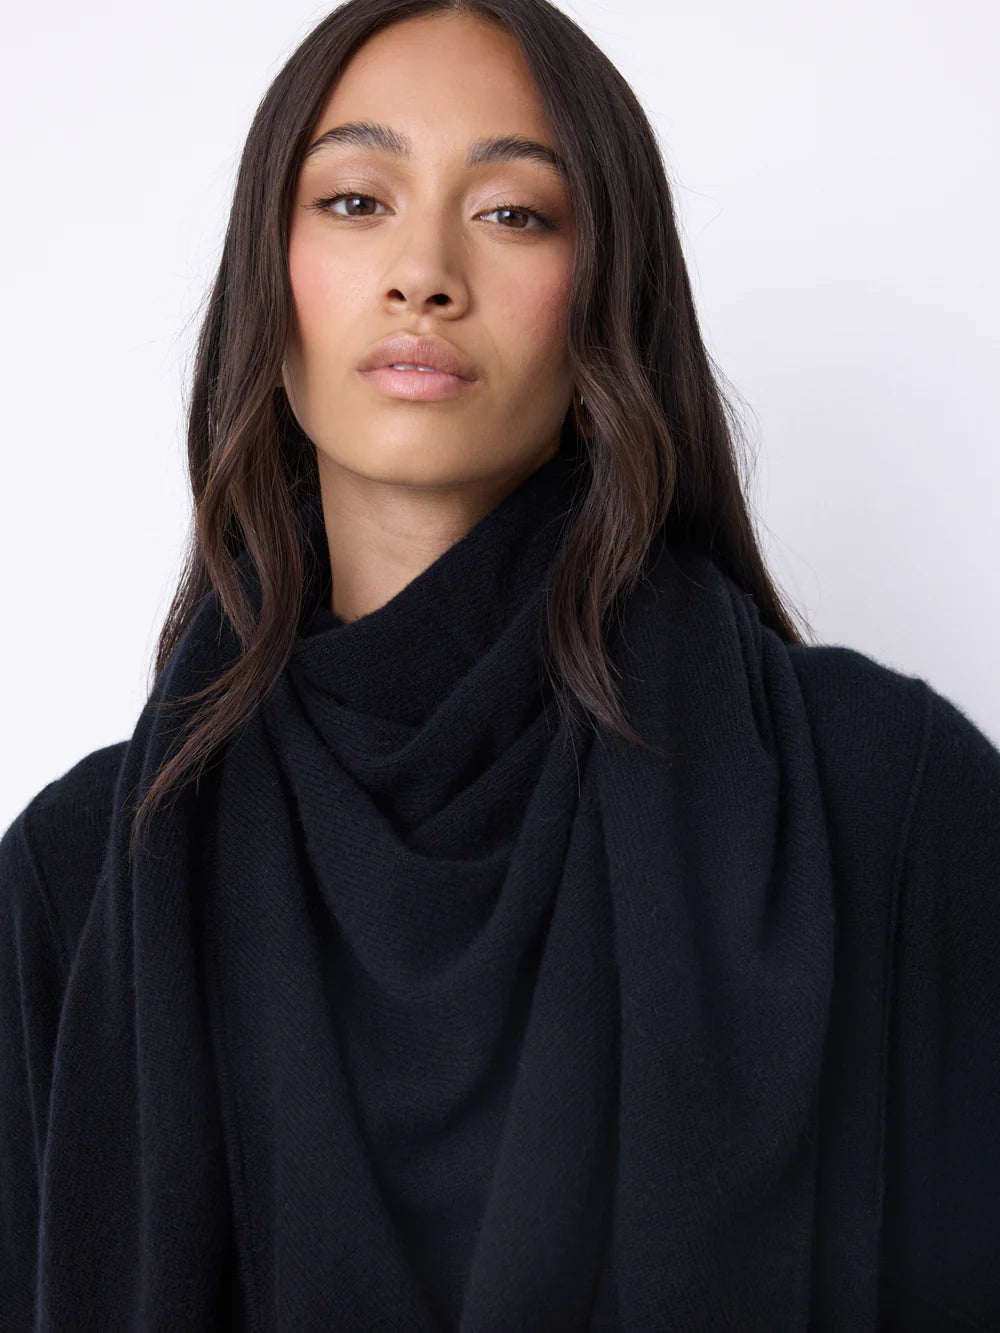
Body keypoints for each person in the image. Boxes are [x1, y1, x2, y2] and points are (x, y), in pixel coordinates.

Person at [2, 0, 998, 1329]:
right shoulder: (77, 888)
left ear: (607, 300)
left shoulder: (887, 804)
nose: (423, 272)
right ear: (266, 283)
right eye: (356, 201)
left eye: (515, 213)